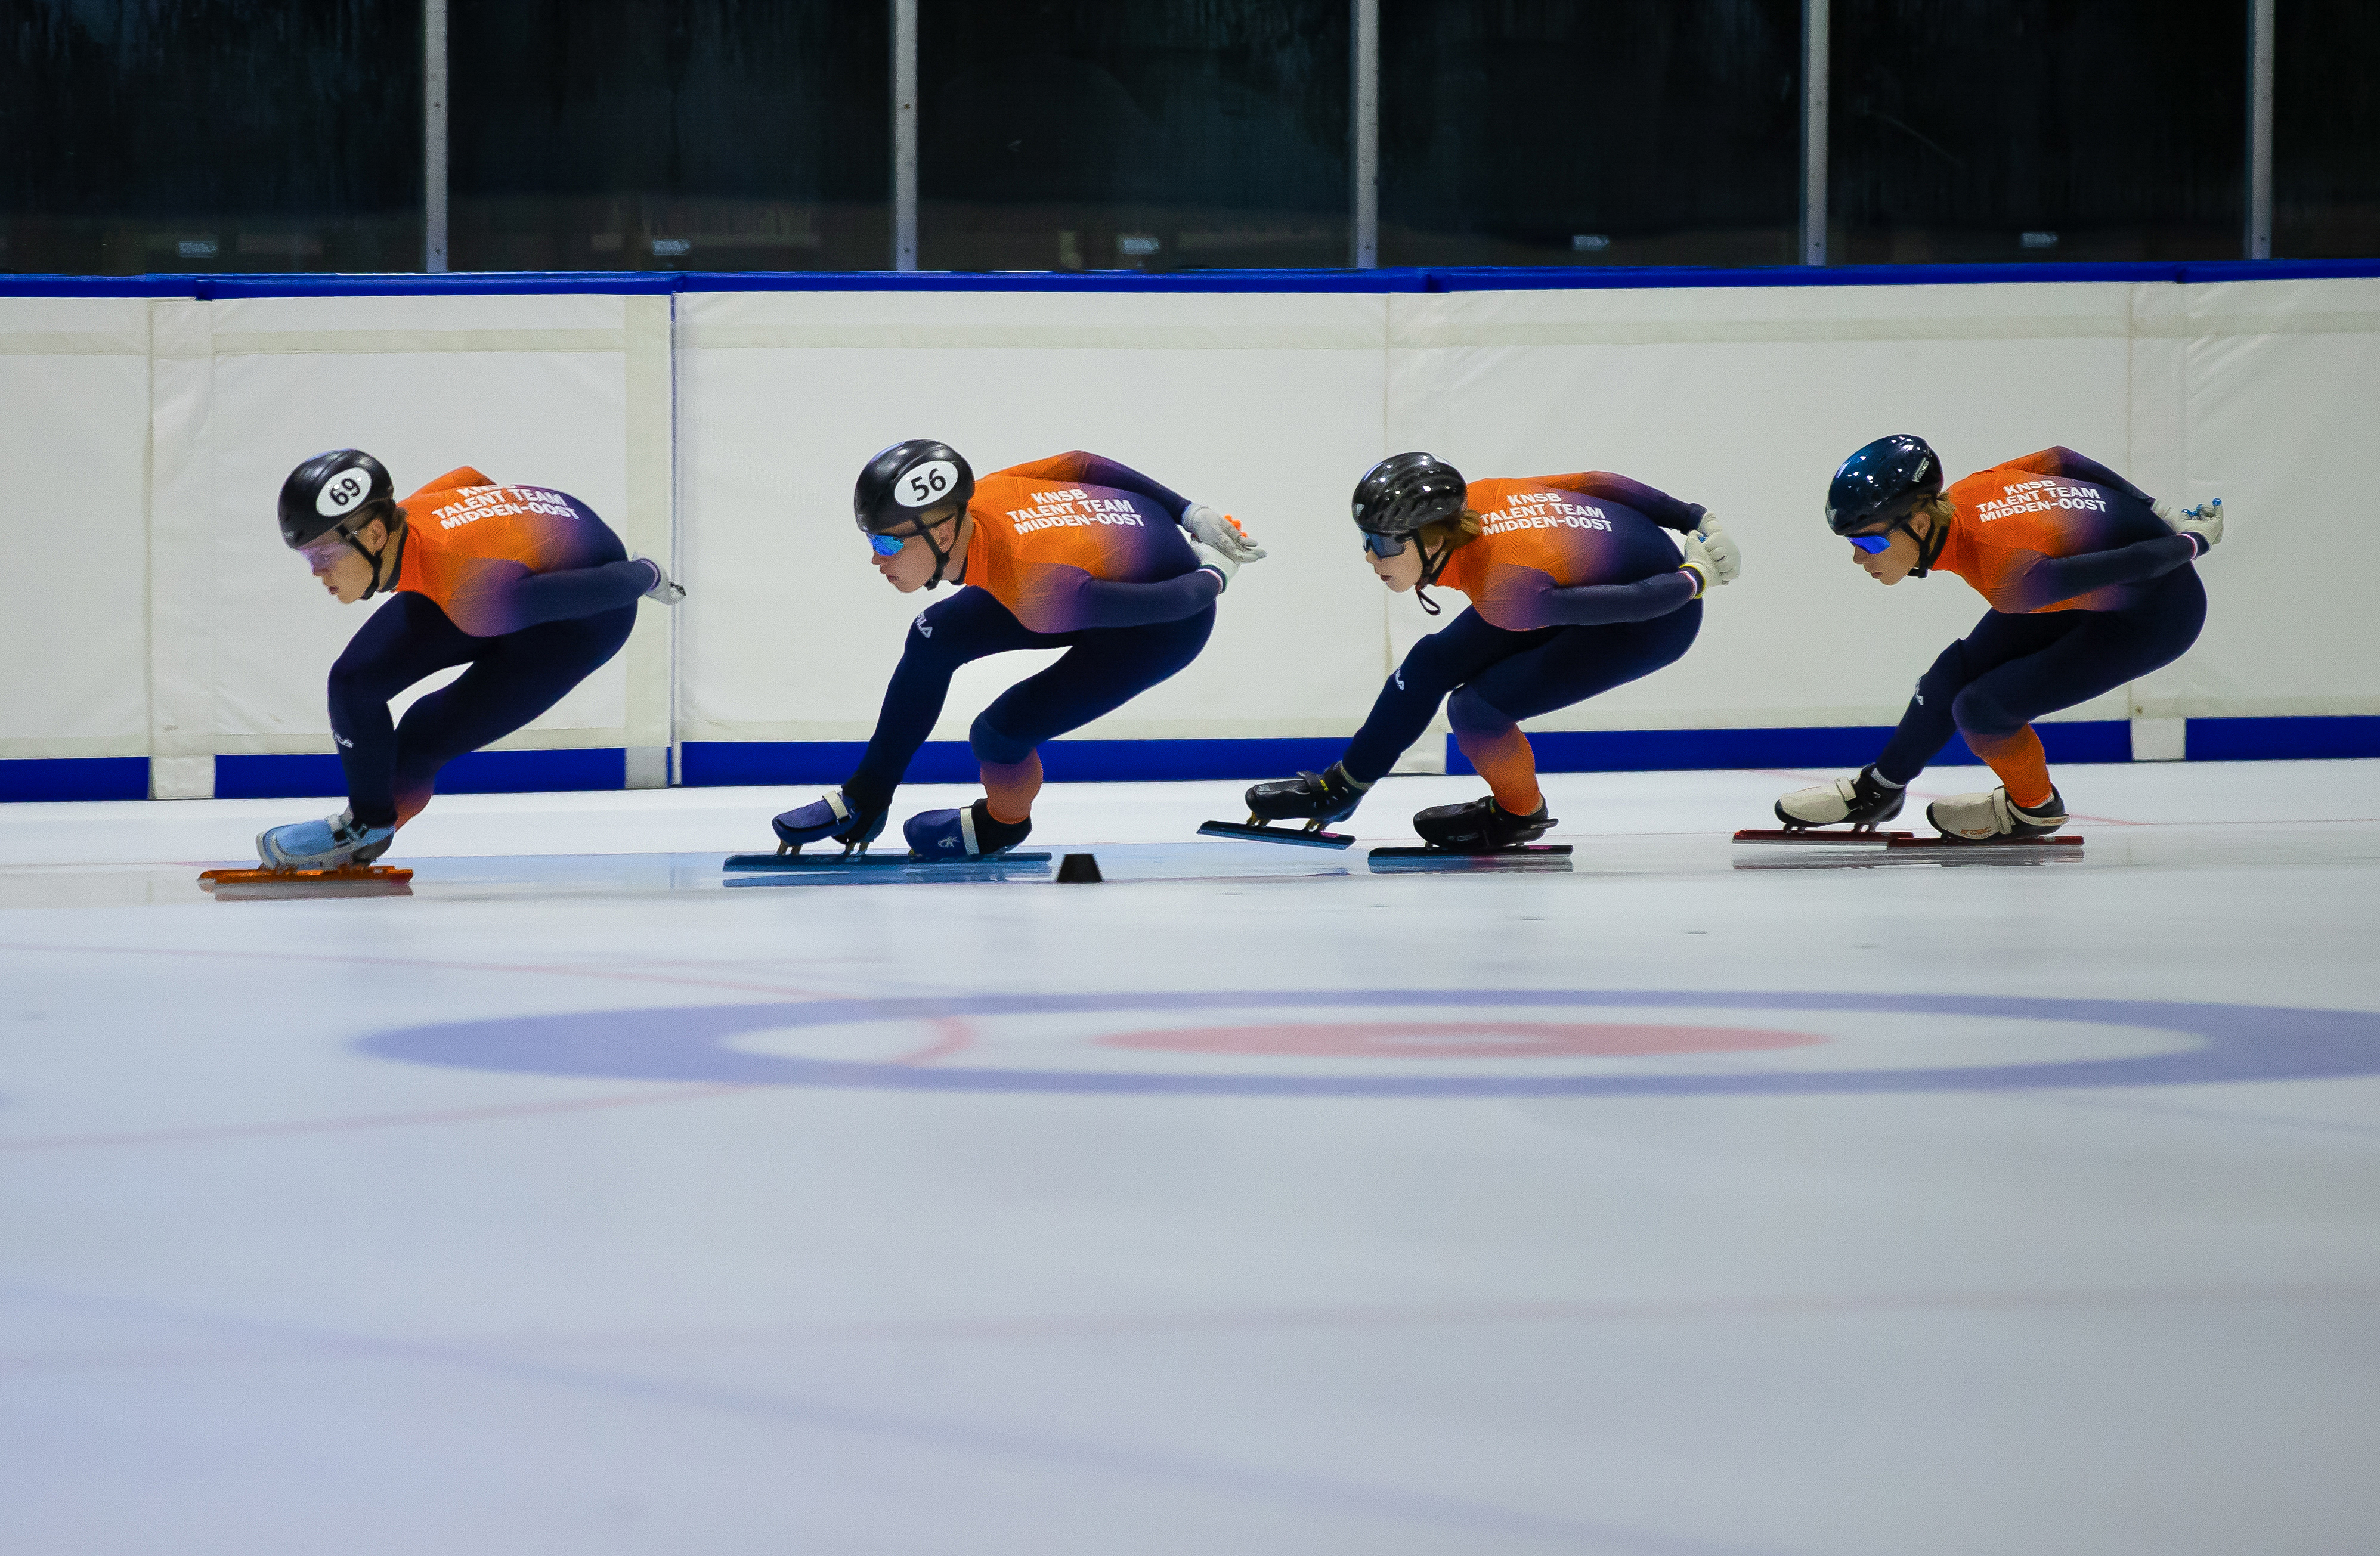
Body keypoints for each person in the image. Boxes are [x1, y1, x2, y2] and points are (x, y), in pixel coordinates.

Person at [771, 441, 1262, 859]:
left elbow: (1178, 602)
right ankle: (867, 796)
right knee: (932, 634)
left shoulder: (1035, 590)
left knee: (998, 735)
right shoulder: (988, 495)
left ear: (942, 533)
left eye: (886, 544)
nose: (876, 559)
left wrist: (1213, 572)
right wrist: (1187, 511)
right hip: (1080, 576)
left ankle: (1000, 825)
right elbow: (1080, 464)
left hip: (1162, 623)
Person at [1239, 452, 1740, 850]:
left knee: (1476, 710)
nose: (1371, 556)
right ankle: (1342, 788)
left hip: (1654, 619)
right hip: (1570, 580)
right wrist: (1693, 517)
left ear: (1433, 540)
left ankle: (1519, 815)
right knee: (1428, 664)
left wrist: (1695, 575)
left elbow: (1636, 602)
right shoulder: (1479, 498)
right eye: (1365, 540)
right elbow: (1593, 482)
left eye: (1384, 544)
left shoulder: (1505, 590)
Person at [1776, 435, 2223, 841]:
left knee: (1984, 710)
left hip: (2157, 617)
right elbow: (2060, 459)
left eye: (1869, 544)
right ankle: (1881, 788)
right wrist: (2156, 508)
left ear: (1921, 524)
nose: (1859, 559)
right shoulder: (1971, 492)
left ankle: (2035, 808)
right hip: (2079, 582)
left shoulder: (2006, 577)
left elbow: (2135, 565)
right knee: (1951, 675)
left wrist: (2191, 542)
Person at [256, 450, 684, 869]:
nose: (317, 572)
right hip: (493, 582)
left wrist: (646, 572)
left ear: (374, 536)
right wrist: (499, 539)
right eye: (307, 557)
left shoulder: (475, 594)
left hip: (585, 618)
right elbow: (468, 479)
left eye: (325, 556)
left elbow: (602, 587)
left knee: (423, 737)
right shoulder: (412, 521)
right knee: (354, 682)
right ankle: (369, 820)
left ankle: (367, 833)